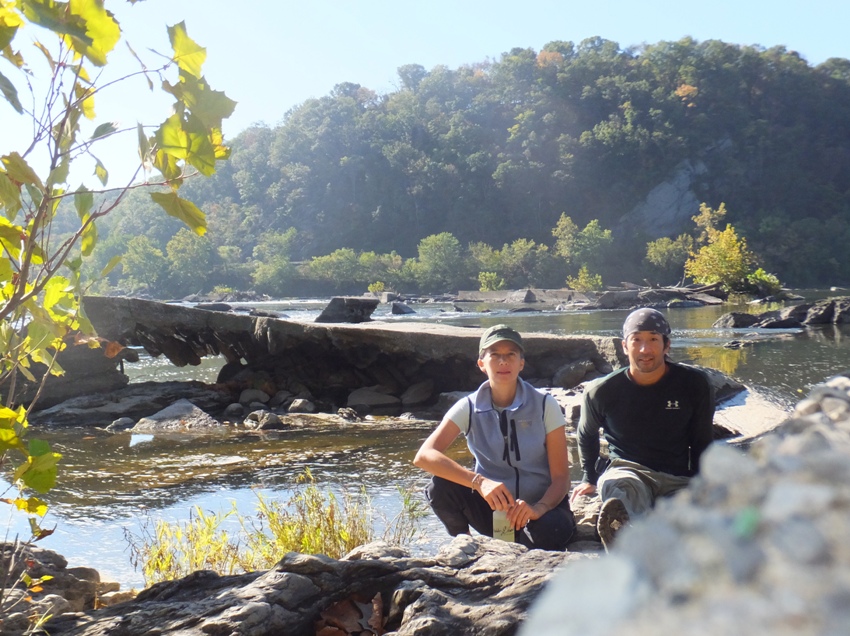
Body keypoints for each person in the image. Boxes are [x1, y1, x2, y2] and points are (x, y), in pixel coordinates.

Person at [414, 324, 576, 551]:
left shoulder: (544, 404)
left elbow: (561, 478)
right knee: (439, 487)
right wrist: (479, 482)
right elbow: (424, 456)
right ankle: (466, 547)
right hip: (493, 512)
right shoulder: (468, 407)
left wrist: (539, 508)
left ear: (522, 363)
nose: (503, 362)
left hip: (542, 510)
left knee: (548, 533)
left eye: (511, 354)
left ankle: (523, 542)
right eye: (495, 355)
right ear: (481, 364)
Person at [570, 308, 715, 550]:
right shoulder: (602, 391)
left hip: (677, 477)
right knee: (621, 488)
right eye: (637, 340)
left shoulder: (694, 384)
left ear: (666, 345)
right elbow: (586, 434)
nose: (645, 350)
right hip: (628, 470)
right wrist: (589, 478)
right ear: (625, 346)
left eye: (653, 340)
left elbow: (702, 440)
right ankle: (626, 535)